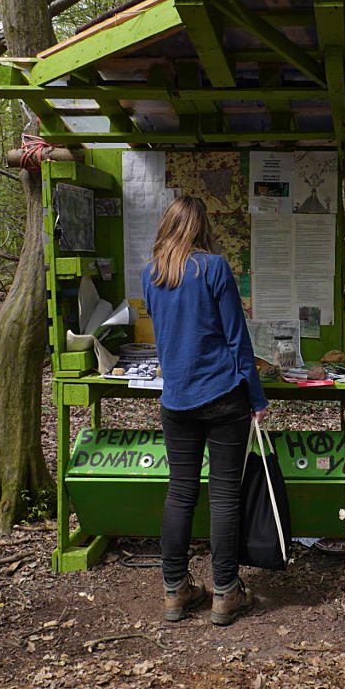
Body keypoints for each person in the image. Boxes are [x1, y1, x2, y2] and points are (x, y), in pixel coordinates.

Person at [142, 196, 268, 626]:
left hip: (176, 400)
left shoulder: (152, 274)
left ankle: (175, 591)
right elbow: (237, 338)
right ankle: (225, 593)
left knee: (180, 492)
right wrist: (257, 398)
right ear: (201, 227)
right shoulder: (213, 268)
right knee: (224, 496)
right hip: (222, 397)